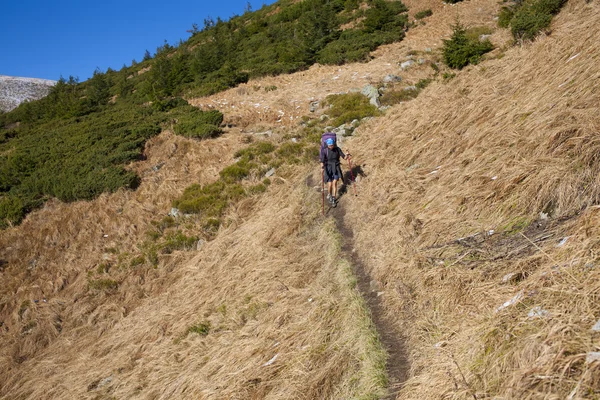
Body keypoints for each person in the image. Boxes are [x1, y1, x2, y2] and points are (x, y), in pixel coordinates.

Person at [320, 138, 350, 205]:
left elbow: (344, 157)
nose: (331, 146)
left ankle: (333, 198)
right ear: (327, 145)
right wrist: (322, 168)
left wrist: (347, 155)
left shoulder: (337, 149)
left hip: (336, 168)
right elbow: (322, 160)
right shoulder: (325, 151)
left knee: (335, 182)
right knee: (330, 184)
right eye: (330, 145)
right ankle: (329, 194)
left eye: (332, 145)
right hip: (328, 168)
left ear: (334, 144)